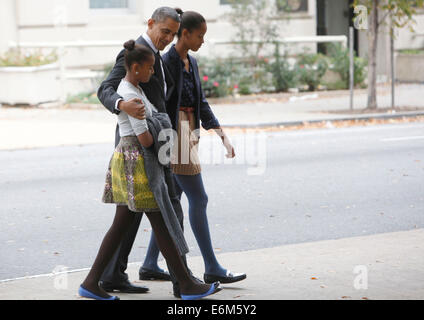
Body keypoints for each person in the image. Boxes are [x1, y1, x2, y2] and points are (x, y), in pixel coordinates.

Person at [78, 40, 221, 301]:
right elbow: (145, 139)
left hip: (130, 160)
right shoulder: (131, 95)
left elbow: (149, 123)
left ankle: (90, 282)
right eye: (150, 68)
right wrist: (161, 128)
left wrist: (156, 122)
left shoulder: (134, 89)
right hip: (139, 162)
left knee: (122, 225)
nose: (153, 72)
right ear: (134, 68)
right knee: (162, 223)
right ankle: (187, 285)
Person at [97, 7, 190, 297]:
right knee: (170, 209)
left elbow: (162, 100)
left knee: (130, 216)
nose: (168, 38)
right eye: (165, 32)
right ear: (150, 24)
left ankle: (110, 275)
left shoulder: (158, 58)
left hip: (156, 143)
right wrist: (121, 105)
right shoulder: (136, 53)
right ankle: (184, 282)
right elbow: (106, 88)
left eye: (173, 34)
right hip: (141, 148)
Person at [158, 9, 246, 284]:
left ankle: (150, 263)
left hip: (190, 133)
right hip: (175, 136)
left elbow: (201, 102)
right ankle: (212, 266)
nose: (202, 41)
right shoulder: (166, 62)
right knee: (199, 198)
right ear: (185, 33)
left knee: (174, 201)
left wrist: (221, 134)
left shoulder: (191, 62)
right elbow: (161, 103)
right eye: (200, 35)